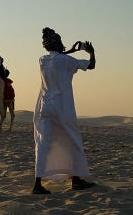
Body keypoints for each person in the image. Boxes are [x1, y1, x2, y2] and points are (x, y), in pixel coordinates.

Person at [32, 27, 96, 195]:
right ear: (58, 43)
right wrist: (91, 52)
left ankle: (37, 184)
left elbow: (56, 57)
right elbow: (91, 66)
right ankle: (76, 179)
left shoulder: (42, 60)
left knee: (43, 143)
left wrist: (68, 51)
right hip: (63, 106)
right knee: (73, 140)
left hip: (44, 106)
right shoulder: (68, 61)